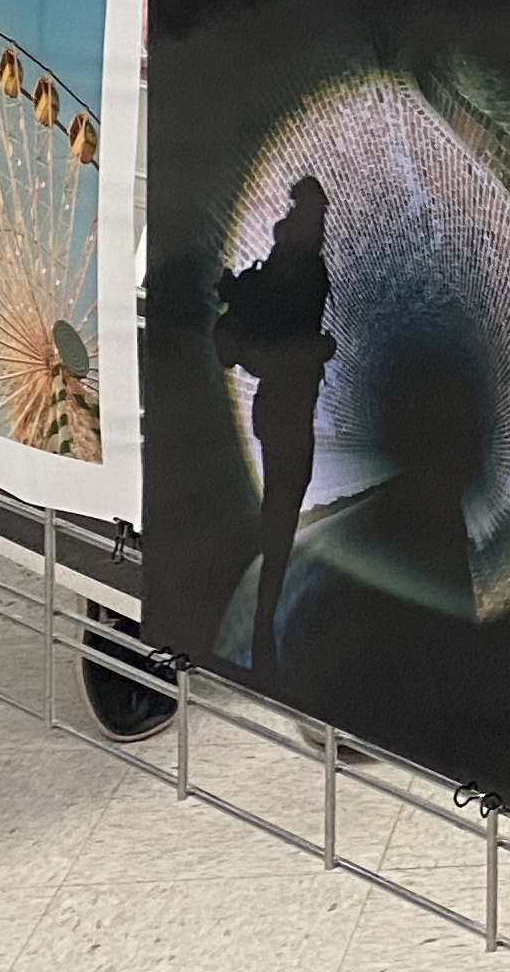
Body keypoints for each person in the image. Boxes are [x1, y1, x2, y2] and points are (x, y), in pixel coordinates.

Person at [212, 175, 337, 686]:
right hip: (288, 401)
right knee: (284, 501)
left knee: (283, 500)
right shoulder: (302, 263)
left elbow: (269, 316)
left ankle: (265, 601)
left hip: (281, 402)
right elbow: (281, 325)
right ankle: (264, 609)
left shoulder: (294, 259)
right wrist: (314, 350)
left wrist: (237, 292)